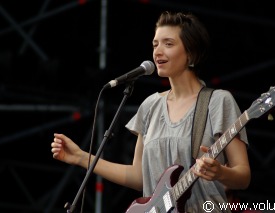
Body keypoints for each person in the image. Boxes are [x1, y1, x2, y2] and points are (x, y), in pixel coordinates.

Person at [51, 11, 251, 212]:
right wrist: (80, 157)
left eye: (168, 44)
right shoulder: (150, 106)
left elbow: (243, 176)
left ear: (191, 53)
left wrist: (220, 173)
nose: (158, 51)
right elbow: (138, 177)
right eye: (155, 44)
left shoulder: (218, 101)